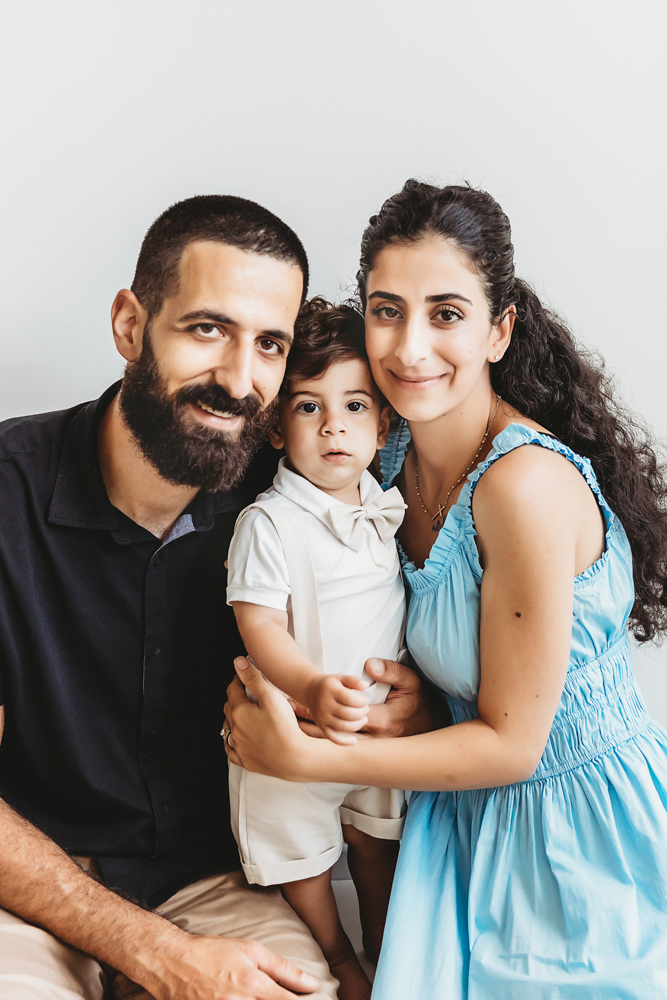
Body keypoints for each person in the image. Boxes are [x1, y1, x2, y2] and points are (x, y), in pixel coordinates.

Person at [224, 180, 667, 998]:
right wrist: (413, 702)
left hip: (568, 829)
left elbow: (514, 743)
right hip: (453, 814)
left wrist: (304, 755)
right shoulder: (382, 462)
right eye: (386, 310)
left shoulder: (521, 488)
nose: (409, 347)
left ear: (498, 330)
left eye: (446, 314)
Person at [0, 193, 436, 1000]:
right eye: (207, 329)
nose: (239, 379)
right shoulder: (8, 491)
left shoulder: (294, 496)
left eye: (268, 344)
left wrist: (401, 706)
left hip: (220, 885)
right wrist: (147, 948)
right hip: (28, 889)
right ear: (131, 325)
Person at [226, 298, 407, 1000]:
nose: (334, 425)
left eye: (356, 406)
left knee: (377, 843)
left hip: (377, 728)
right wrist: (306, 685)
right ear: (276, 425)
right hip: (293, 730)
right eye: (308, 408)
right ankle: (335, 957)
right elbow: (259, 626)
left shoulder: (386, 505)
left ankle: (389, 952)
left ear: (384, 421)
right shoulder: (269, 523)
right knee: (300, 856)